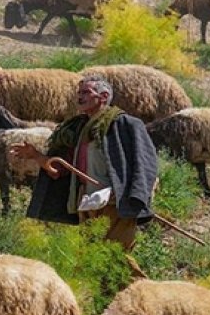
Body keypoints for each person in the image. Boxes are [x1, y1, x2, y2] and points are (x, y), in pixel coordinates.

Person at [9, 76, 158, 273]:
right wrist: (36, 156)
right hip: (87, 202)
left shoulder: (125, 124)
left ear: (103, 96)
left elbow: (146, 163)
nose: (79, 97)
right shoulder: (79, 128)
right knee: (89, 257)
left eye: (86, 93)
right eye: (78, 93)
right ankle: (99, 300)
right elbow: (60, 168)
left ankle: (139, 297)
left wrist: (136, 196)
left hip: (115, 203)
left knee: (117, 258)